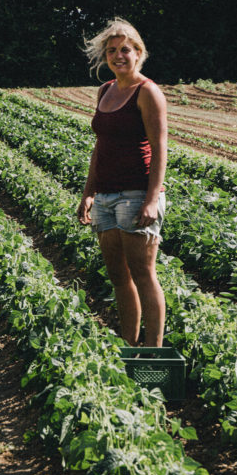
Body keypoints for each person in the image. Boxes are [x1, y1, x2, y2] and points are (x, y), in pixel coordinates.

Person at [76, 18, 168, 348]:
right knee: (118, 276)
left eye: (124, 50)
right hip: (105, 196)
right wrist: (88, 192)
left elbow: (160, 150)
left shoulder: (148, 92)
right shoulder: (105, 90)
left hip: (135, 192)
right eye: (112, 51)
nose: (118, 56)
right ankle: (129, 345)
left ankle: (153, 353)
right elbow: (100, 145)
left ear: (138, 53)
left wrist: (151, 199)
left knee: (143, 274)